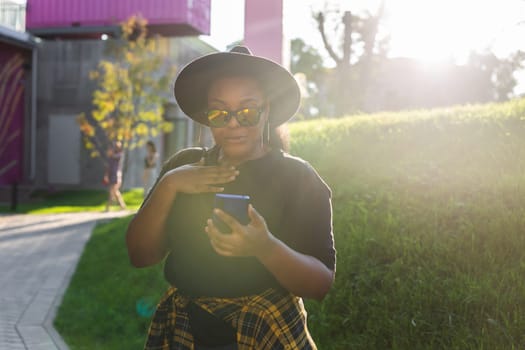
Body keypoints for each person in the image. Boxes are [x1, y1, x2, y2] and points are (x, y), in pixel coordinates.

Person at [126, 46, 336, 350]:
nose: (233, 123)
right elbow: (140, 255)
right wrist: (169, 186)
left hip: (265, 327)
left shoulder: (298, 178)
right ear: (206, 116)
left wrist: (264, 247)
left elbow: (319, 285)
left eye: (248, 111)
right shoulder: (182, 168)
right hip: (186, 326)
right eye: (220, 113)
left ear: (266, 110)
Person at [104, 140, 126, 211]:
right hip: (111, 175)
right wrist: (106, 175)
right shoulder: (110, 158)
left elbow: (113, 155)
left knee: (113, 190)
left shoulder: (118, 155)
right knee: (115, 191)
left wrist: (111, 153)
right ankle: (122, 205)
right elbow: (108, 167)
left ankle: (108, 207)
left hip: (116, 175)